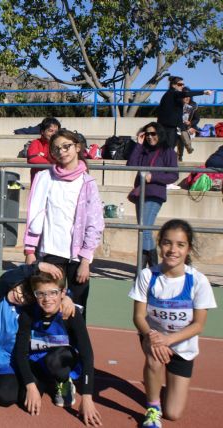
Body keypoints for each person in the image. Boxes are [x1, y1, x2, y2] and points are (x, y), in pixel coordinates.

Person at [129, 219, 217, 428]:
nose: (173, 250)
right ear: (160, 245)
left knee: (174, 413)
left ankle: (161, 386)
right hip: (153, 337)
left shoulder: (197, 281)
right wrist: (154, 338)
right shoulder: (148, 275)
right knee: (154, 357)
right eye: (167, 243)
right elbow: (138, 317)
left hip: (182, 345)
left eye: (180, 244)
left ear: (188, 248)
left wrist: (169, 340)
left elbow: (198, 325)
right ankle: (152, 408)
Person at [24, 130, 104, 316]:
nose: (62, 151)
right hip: (51, 253)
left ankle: (75, 345)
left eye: (66, 146)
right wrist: (29, 251)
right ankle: (49, 344)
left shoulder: (87, 182)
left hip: (77, 258)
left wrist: (85, 260)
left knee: (76, 308)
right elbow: (34, 216)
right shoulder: (45, 178)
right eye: (56, 148)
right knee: (48, 306)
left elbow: (94, 223)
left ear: (77, 147)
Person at [0, 261, 68, 407]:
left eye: (27, 298)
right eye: (21, 290)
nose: (21, 297)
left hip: (9, 363)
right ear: (17, 283)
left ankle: (56, 382)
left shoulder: (25, 313)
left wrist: (67, 298)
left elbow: (50, 295)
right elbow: (8, 277)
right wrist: (38, 266)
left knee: (6, 398)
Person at [14, 270, 102, 426]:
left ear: (62, 293)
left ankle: (64, 381)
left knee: (54, 360)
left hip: (61, 360)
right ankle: (48, 384)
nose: (47, 299)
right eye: (41, 294)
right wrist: (31, 386)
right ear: (35, 295)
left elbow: (87, 355)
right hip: (38, 363)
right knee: (24, 400)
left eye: (53, 293)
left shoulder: (71, 314)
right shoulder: (28, 314)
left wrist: (87, 397)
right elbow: (20, 353)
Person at [127, 123, 178, 268]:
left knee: (145, 230)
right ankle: (151, 267)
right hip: (141, 193)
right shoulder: (143, 150)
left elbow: (173, 175)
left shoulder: (168, 152)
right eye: (147, 134)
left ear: (160, 134)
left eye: (153, 134)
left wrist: (153, 176)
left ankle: (146, 267)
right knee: (142, 230)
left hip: (155, 194)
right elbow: (130, 165)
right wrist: (138, 144)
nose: (150, 137)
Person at [156, 76, 212, 150]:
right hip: (168, 128)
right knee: (167, 150)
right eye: (180, 84)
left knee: (170, 149)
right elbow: (185, 94)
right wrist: (203, 92)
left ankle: (180, 154)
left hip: (172, 127)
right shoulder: (172, 93)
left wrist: (185, 126)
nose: (182, 86)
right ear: (173, 85)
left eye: (183, 84)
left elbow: (177, 113)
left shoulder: (172, 96)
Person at [27, 117, 61, 182]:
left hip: (56, 181)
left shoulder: (61, 144)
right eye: (50, 131)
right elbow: (32, 159)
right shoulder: (36, 143)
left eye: (56, 131)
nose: (54, 134)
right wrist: (52, 164)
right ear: (42, 132)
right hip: (39, 183)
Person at [177, 88, 200, 162]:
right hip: (177, 127)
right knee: (180, 132)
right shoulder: (176, 105)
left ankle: (179, 157)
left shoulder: (193, 106)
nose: (187, 98)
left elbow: (197, 119)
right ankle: (188, 147)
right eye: (185, 96)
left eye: (188, 96)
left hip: (188, 128)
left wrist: (191, 124)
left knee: (182, 133)